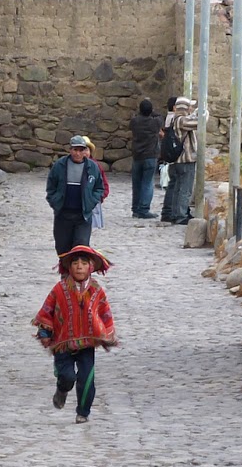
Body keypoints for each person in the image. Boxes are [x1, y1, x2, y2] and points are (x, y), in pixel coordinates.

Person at [32, 244, 118, 424]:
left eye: (84, 263)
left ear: (91, 267)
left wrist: (108, 333)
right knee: (67, 377)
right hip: (62, 342)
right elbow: (47, 311)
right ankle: (62, 389)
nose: (79, 267)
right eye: (75, 263)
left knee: (87, 379)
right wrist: (44, 331)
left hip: (87, 343)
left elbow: (105, 313)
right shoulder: (59, 289)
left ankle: (83, 412)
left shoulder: (96, 291)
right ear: (69, 267)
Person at [45, 135, 106, 254]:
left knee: (81, 248)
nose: (78, 153)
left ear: (85, 151)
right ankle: (65, 267)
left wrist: (92, 201)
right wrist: (55, 201)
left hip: (83, 215)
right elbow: (51, 186)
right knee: (63, 248)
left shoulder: (92, 167)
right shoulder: (59, 165)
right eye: (75, 149)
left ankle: (78, 267)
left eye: (81, 150)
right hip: (63, 214)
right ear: (70, 150)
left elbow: (99, 187)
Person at [159, 96, 197, 225]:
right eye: (190, 107)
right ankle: (181, 215)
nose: (191, 109)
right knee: (185, 189)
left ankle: (175, 213)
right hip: (185, 159)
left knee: (177, 188)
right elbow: (199, 122)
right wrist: (204, 111)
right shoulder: (181, 120)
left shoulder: (174, 119)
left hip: (177, 160)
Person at [127, 98, 164, 218]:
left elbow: (134, 119)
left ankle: (135, 208)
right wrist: (152, 111)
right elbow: (160, 116)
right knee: (147, 183)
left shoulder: (134, 122)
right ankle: (144, 209)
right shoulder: (155, 123)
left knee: (136, 183)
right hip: (150, 155)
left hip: (137, 155)